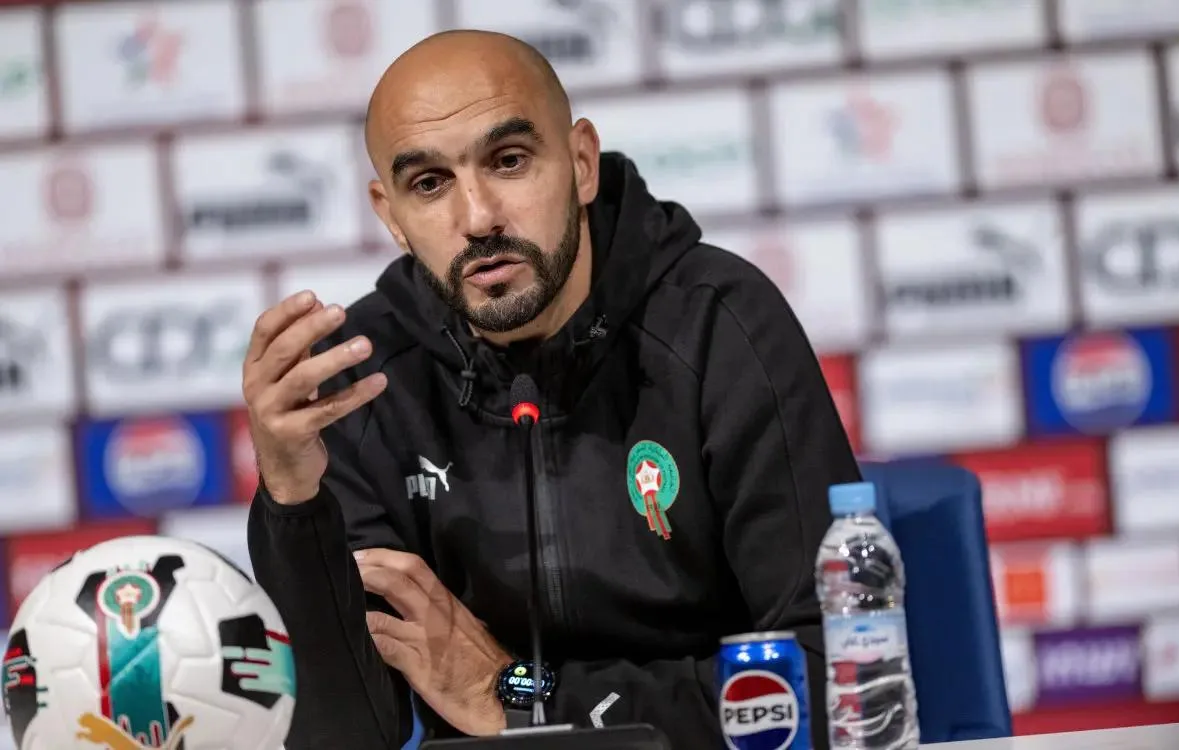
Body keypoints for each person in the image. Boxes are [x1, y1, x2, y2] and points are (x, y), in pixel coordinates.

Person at [244, 28, 860, 750]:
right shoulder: (362, 379)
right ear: (392, 216)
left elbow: (833, 677)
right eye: (430, 184)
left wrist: (513, 693)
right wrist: (293, 504)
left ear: (581, 164)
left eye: (509, 161)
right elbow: (347, 734)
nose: (478, 218)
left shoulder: (719, 325)